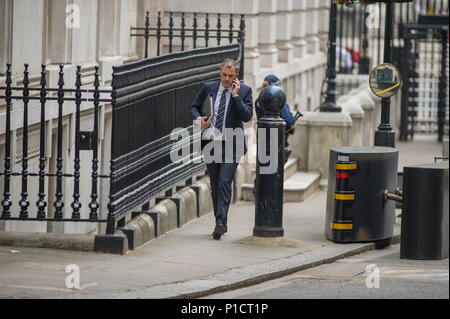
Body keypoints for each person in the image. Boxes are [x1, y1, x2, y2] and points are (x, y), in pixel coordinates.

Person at [190, 58, 253, 240]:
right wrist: (198, 120)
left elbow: (247, 116)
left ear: (236, 76)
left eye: (230, 76)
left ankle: (220, 222)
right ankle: (221, 222)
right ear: (220, 73)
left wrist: (235, 96)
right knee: (216, 184)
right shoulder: (208, 87)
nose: (226, 79)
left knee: (225, 181)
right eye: (224, 75)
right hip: (211, 143)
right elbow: (194, 106)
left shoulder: (245, 91)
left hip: (232, 144)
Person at [255, 74, 298, 163]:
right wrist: (293, 123)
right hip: (276, 138)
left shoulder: (259, 100)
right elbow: (289, 120)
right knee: (274, 168)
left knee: (264, 168)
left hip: (263, 137)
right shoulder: (276, 100)